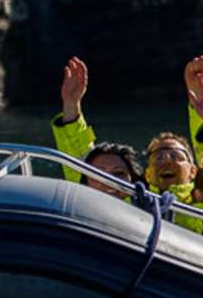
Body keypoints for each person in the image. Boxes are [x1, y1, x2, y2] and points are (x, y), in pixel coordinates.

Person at [51, 56, 140, 197]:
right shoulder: (80, 192)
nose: (109, 180)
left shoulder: (149, 210)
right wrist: (71, 103)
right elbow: (77, 150)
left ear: (133, 182)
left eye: (119, 173)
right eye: (98, 173)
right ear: (85, 180)